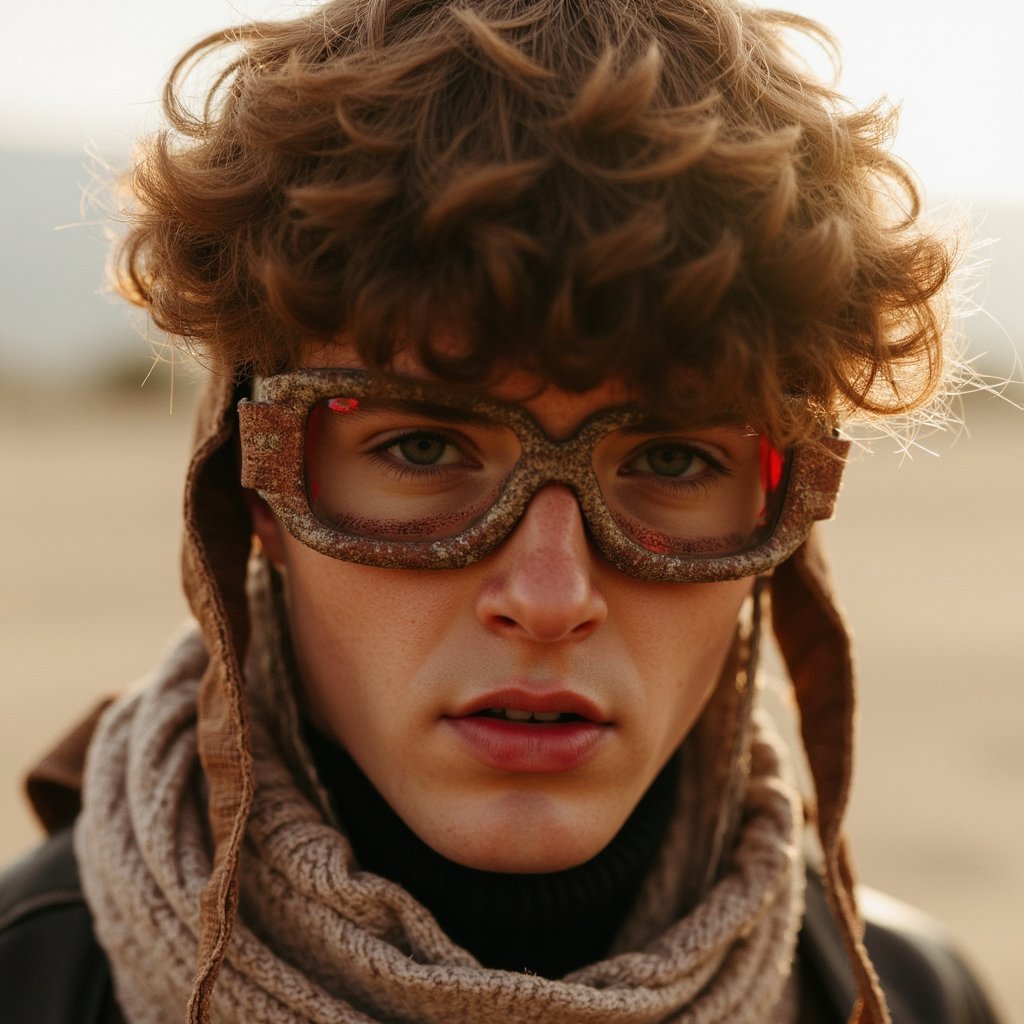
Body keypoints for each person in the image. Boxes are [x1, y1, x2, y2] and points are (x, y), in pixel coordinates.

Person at [0, 1, 1005, 1022]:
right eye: (424, 448)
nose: (549, 597)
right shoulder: (32, 982)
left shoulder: (914, 995)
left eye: (669, 457)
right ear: (256, 489)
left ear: (782, 521)